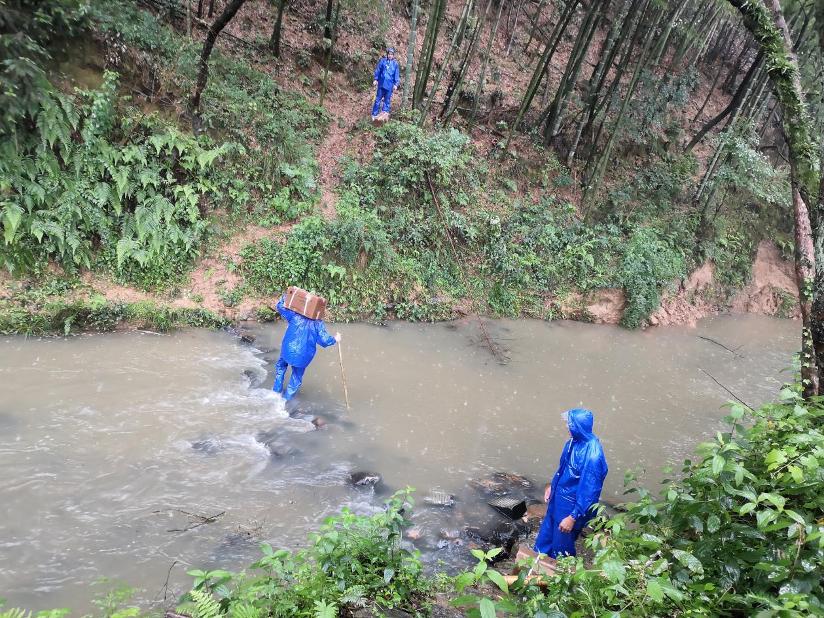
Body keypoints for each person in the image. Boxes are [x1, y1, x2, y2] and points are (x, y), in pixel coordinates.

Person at [534, 408, 608, 558]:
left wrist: (573, 517)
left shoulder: (593, 456)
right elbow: (561, 470)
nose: (567, 426)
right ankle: (536, 567)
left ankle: (558, 576)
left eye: (570, 424)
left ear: (577, 426)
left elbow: (590, 492)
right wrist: (552, 487)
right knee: (544, 539)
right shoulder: (572, 443)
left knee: (561, 549)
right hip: (557, 500)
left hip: (571, 507)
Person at [273, 293, 341, 401]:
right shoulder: (318, 323)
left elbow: (280, 307)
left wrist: (286, 296)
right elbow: (324, 341)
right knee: (296, 377)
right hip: (303, 354)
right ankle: (286, 400)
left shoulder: (295, 315)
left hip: (288, 349)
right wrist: (335, 339)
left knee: (280, 367)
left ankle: (276, 392)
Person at [371, 46, 400, 118]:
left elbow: (396, 75)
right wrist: (375, 79)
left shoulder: (395, 64)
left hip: (389, 85)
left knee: (387, 100)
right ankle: (374, 114)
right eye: (389, 54)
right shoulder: (383, 61)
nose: (390, 55)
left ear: (393, 55)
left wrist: (396, 84)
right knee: (378, 99)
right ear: (387, 54)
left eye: (391, 54)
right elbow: (378, 70)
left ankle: (384, 115)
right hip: (381, 84)